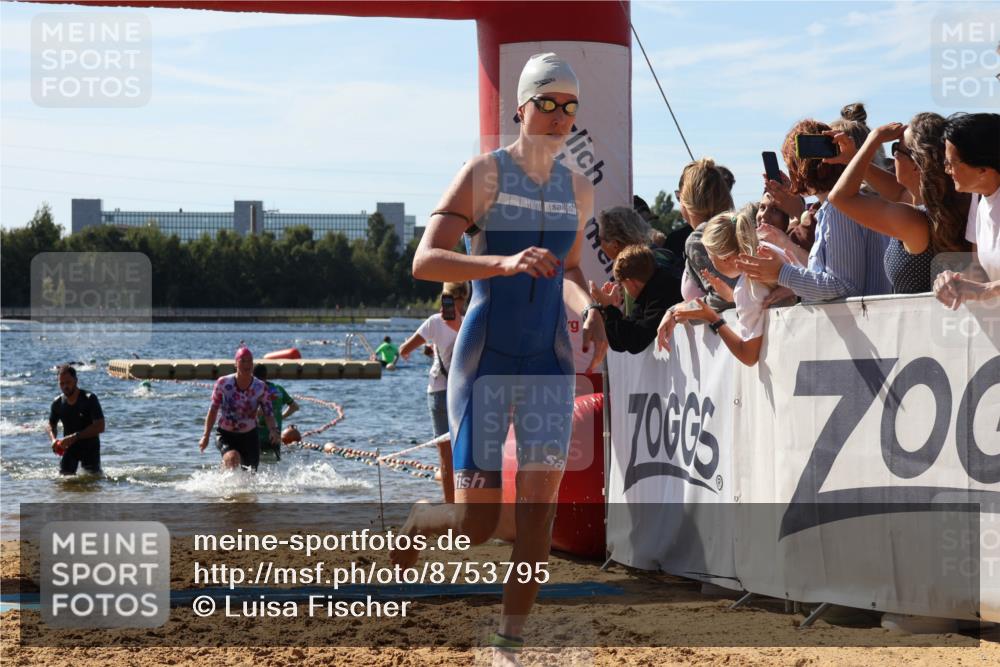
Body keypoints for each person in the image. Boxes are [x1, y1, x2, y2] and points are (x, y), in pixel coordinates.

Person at [392, 52, 608, 660]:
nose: (559, 115)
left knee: (539, 514)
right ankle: (419, 520)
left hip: (548, 361)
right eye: (547, 102)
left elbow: (569, 270)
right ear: (521, 107)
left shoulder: (578, 187)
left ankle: (507, 642)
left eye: (569, 106)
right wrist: (502, 263)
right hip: (486, 360)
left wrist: (589, 305)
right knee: (478, 526)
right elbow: (424, 261)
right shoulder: (483, 174)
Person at [737, 119, 892, 302]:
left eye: (791, 165)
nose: (790, 172)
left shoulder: (839, 211)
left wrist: (781, 272)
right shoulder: (842, 205)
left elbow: (843, 286)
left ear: (800, 167)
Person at [827, 114, 971, 293]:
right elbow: (896, 191)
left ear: (916, 165)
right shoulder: (947, 204)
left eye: (896, 148)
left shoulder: (912, 220)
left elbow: (840, 198)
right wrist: (853, 157)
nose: (892, 154)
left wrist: (873, 140)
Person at [658, 204, 789, 366]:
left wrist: (713, 319)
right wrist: (729, 296)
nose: (711, 264)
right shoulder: (771, 250)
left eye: (711, 259)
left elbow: (749, 356)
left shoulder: (747, 288)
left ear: (725, 258)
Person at [399, 282, 469, 503]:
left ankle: (452, 508)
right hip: (463, 393)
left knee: (445, 457)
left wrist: (432, 348)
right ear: (466, 297)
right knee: (466, 453)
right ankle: (470, 502)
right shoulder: (471, 323)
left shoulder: (434, 322)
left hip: (439, 392)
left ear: (444, 298)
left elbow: (404, 350)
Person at [934, 112, 1000, 306]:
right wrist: (953, 282)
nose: (946, 169)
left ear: (983, 168)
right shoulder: (979, 199)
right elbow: (980, 272)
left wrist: (987, 290)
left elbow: (986, 287)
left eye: (950, 162)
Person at [198, 346, 279, 472]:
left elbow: (268, 413)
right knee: (232, 458)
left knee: (251, 475)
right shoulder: (223, 383)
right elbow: (213, 410)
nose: (247, 364)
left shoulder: (260, 387)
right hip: (226, 435)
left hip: (250, 436)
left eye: (249, 361)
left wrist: (273, 430)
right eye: (243, 361)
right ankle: (223, 485)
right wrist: (206, 436)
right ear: (236, 364)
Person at [588, 244, 677, 353]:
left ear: (631, 283)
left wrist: (608, 307)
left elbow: (635, 342)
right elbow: (619, 344)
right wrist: (611, 309)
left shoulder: (661, 291)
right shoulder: (649, 291)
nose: (623, 289)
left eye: (623, 285)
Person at [678, 158, 737, 310]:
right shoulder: (734, 227)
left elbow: (727, 296)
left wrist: (680, 311)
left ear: (685, 201)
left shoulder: (699, 239)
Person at [596, 205, 683, 308]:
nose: (599, 244)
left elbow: (637, 322)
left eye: (599, 239)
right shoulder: (661, 255)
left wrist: (609, 309)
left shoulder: (632, 269)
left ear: (614, 244)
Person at [47, 364, 104, 476]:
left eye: (68, 382)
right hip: (70, 448)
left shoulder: (89, 398)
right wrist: (53, 439)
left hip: (90, 447)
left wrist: (75, 436)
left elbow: (100, 426)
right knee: (64, 480)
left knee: (92, 481)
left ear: (76, 380)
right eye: (61, 383)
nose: (65, 386)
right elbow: (51, 424)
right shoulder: (57, 403)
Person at [253, 363, 299, 462]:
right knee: (275, 468)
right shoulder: (278, 389)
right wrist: (281, 417)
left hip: (257, 438)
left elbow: (257, 412)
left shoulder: (254, 390)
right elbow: (294, 407)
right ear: (266, 375)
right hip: (275, 437)